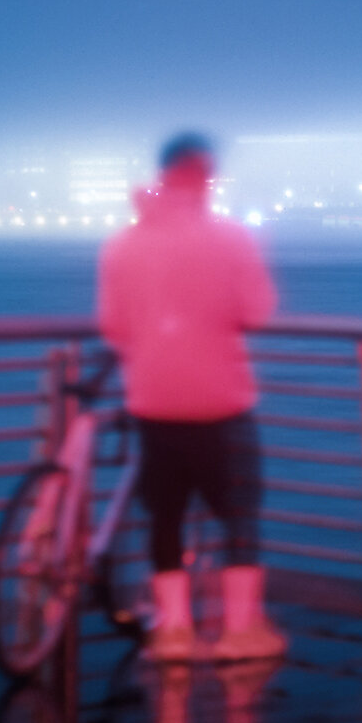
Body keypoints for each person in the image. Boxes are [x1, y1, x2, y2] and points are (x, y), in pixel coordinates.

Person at [97, 132, 285, 663]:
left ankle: (175, 631)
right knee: (240, 514)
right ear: (204, 173)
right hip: (220, 402)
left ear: (161, 173)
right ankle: (240, 630)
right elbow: (257, 312)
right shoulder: (230, 239)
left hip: (152, 401)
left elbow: (113, 327)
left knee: (164, 517)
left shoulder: (121, 244)